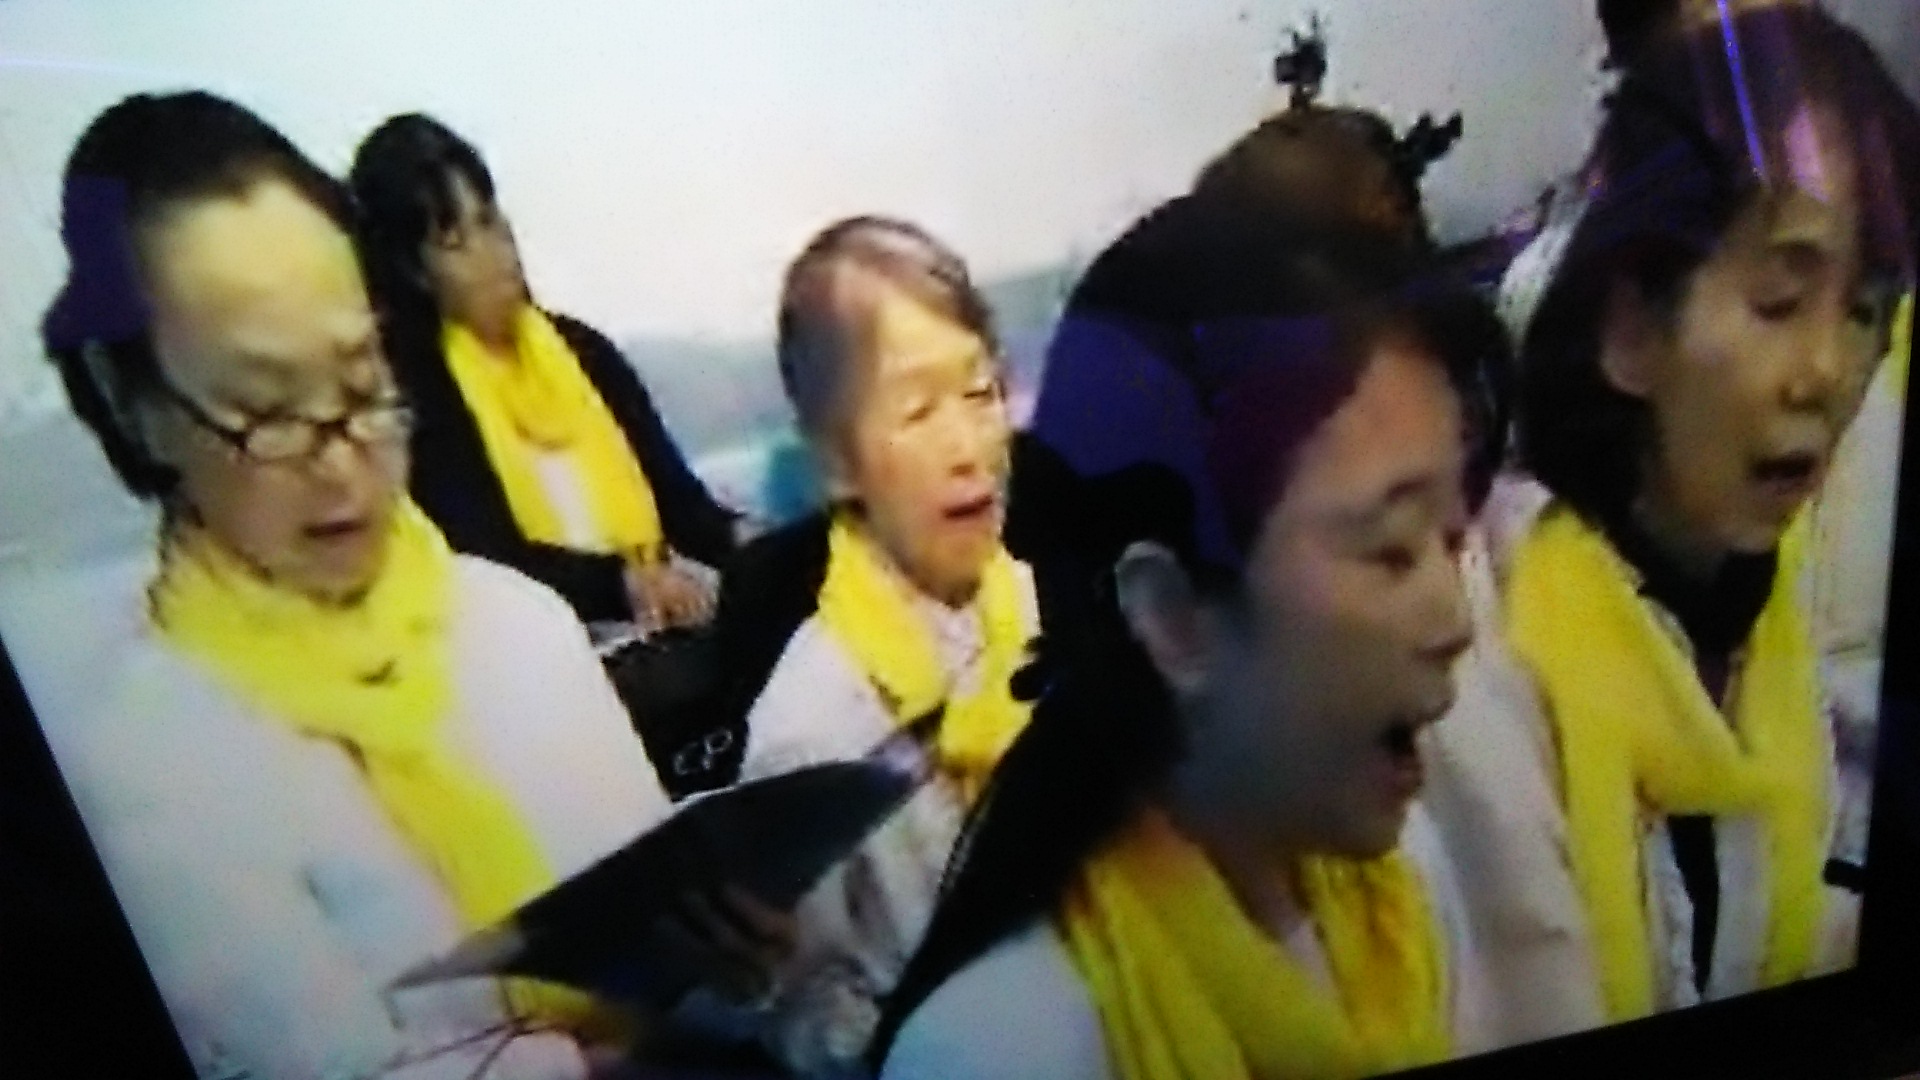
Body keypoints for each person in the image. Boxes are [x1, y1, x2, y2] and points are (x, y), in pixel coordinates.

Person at [28, 91, 681, 1080]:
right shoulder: (140, 768)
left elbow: (673, 934)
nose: (342, 463)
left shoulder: (521, 626)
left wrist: (735, 963)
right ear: (131, 404)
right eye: (266, 409)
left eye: (363, 383)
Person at [874, 200, 1507, 1080]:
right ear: (1173, 618)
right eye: (1391, 549)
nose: (1456, 622)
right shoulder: (1003, 1048)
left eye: (1453, 536)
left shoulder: (1406, 889)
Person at [1506, 5, 1919, 1021]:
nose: (1828, 371)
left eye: (1866, 310)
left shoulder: (1760, 618)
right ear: (1630, 329)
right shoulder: (1497, 691)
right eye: (1778, 303)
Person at [692, 216, 1041, 1077]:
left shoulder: (1061, 609)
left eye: (981, 393)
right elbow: (815, 1012)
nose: (968, 448)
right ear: (837, 463)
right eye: (918, 411)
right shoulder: (811, 733)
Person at [350, 114, 741, 631]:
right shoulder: (418, 396)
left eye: (489, 220)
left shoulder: (586, 352)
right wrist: (620, 585)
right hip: (537, 645)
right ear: (412, 271)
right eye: (455, 241)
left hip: (660, 626)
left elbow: (687, 512)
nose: (494, 251)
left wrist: (751, 543)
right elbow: (486, 564)